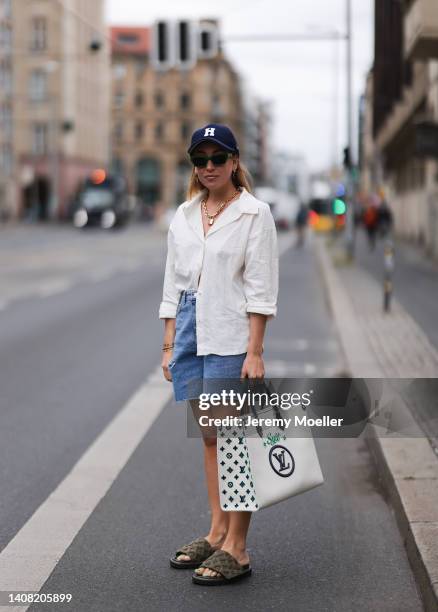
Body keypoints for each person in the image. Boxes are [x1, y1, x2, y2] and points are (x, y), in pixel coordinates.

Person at [159, 123, 279, 585]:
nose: (208, 167)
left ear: (234, 162)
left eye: (217, 158)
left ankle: (239, 548)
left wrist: (255, 351)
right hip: (191, 332)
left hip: (231, 336)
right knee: (210, 437)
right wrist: (170, 346)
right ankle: (217, 531)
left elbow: (261, 289)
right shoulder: (185, 215)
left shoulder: (254, 213)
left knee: (234, 441)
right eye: (200, 159)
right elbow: (173, 284)